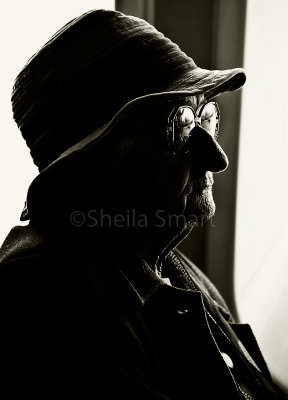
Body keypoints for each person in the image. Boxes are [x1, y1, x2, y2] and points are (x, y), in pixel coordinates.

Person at [0, 9, 286, 399]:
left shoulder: (162, 259)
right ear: (97, 159)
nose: (217, 157)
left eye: (207, 118)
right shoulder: (42, 301)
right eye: (181, 126)